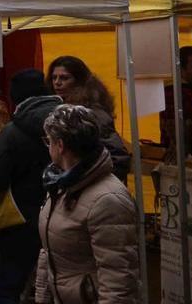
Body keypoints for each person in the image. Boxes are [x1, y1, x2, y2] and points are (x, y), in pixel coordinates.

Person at [35, 104, 139, 303]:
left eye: (48, 141)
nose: (48, 147)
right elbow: (48, 251)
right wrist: (43, 295)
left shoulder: (107, 200)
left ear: (60, 145)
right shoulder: (61, 184)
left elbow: (118, 279)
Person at [0, 70, 62, 304]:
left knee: (10, 284)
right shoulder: (71, 123)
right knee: (61, 283)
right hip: (67, 214)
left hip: (22, 220)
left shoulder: (13, 132)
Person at [47, 56, 131, 181]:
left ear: (79, 81)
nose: (57, 82)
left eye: (64, 78)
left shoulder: (93, 114)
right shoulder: (62, 111)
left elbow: (119, 157)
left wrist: (96, 183)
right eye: (54, 77)